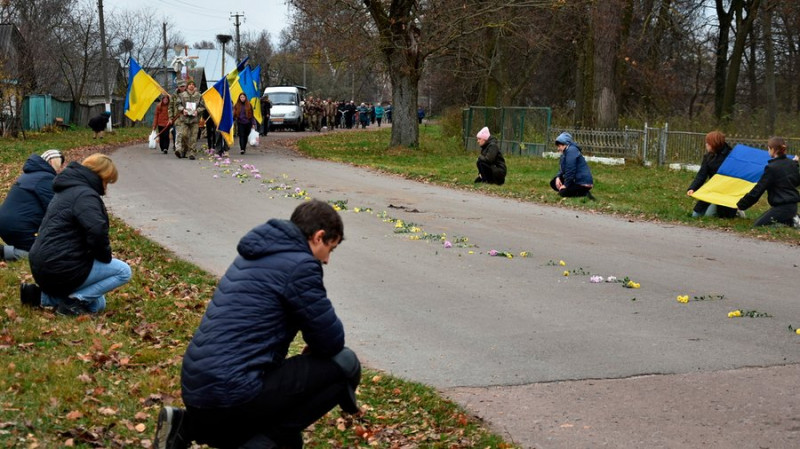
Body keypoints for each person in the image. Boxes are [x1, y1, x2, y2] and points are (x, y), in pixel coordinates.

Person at [153, 200, 361, 449]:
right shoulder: (301, 266)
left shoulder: (254, 255)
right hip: (232, 393)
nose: (327, 260)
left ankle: (186, 426)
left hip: (199, 390)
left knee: (289, 440)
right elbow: (331, 341)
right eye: (331, 248)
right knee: (345, 364)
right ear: (319, 237)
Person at [21, 154, 131, 315]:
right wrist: (104, 257)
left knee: (97, 305)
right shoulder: (85, 195)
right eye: (107, 181)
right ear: (100, 175)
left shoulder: (68, 189)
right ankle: (73, 302)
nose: (106, 187)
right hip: (60, 267)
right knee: (123, 271)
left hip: (44, 265)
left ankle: (40, 297)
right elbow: (97, 232)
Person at [0, 150, 64, 261]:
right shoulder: (45, 178)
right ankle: (4, 253)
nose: (61, 169)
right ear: (54, 163)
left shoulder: (30, 175)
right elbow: (55, 208)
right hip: (20, 227)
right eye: (61, 164)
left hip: (8, 225)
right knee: (48, 253)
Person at [736, 136, 800, 227]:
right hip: (792, 206)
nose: (768, 151)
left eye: (768, 149)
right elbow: (796, 181)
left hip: (782, 207)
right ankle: (793, 218)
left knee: (759, 225)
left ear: (773, 149)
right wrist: (796, 165)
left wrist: (741, 205)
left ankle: (793, 222)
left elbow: (758, 189)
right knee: (762, 221)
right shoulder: (791, 163)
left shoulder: (771, 168)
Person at [686, 131, 737, 218]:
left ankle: (737, 212)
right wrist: (692, 188)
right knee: (696, 215)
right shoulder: (708, 157)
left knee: (709, 216)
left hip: (725, 193)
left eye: (708, 143)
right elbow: (701, 175)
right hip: (712, 190)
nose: (706, 145)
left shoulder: (731, 157)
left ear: (714, 144)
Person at [550, 132, 594, 198]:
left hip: (582, 182)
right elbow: (562, 168)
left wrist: (566, 185)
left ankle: (584, 193)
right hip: (576, 180)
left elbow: (570, 170)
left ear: (565, 144)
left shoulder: (571, 151)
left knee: (562, 193)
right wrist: (558, 177)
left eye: (559, 146)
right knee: (554, 183)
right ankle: (579, 192)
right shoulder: (566, 152)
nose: (558, 149)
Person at [176, 80, 205, 160]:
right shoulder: (182, 95)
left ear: (195, 87)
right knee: (184, 135)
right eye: (190, 84)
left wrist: (197, 111)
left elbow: (202, 106)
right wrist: (183, 110)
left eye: (193, 84)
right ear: (187, 86)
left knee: (193, 137)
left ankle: (192, 153)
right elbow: (178, 104)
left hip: (194, 120)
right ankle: (184, 150)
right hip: (184, 119)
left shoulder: (199, 96)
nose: (191, 86)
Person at [170, 80, 188, 153]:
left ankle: (184, 150)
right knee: (178, 134)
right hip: (177, 117)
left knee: (185, 135)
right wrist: (170, 117)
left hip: (187, 117)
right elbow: (170, 107)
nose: (183, 88)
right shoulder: (174, 96)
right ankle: (178, 149)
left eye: (184, 86)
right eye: (181, 86)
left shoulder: (189, 94)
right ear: (178, 87)